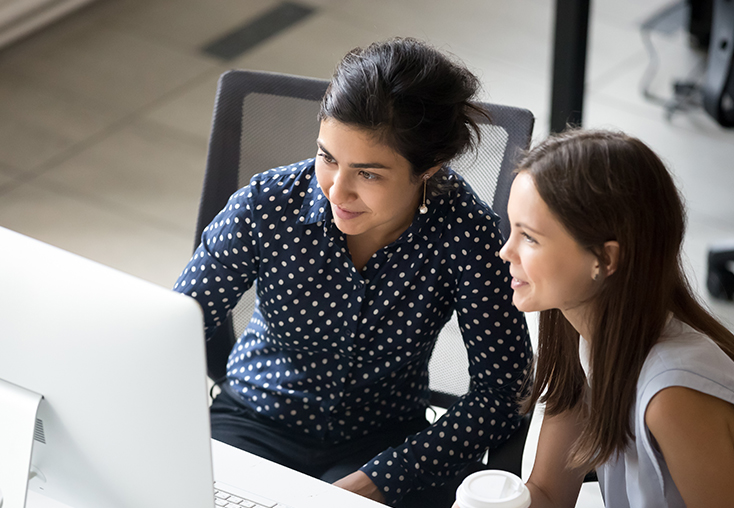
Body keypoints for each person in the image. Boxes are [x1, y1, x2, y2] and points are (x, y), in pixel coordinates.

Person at [173, 37, 533, 507]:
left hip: (384, 444)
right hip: (253, 419)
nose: (337, 191)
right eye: (327, 157)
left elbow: (503, 393)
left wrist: (378, 480)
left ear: (428, 169)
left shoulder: (467, 234)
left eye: (368, 174)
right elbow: (173, 333)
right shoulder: (265, 206)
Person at [497, 129, 734, 507]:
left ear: (605, 259)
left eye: (529, 238)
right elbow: (548, 493)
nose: (505, 251)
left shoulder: (673, 397)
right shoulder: (574, 331)